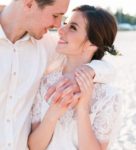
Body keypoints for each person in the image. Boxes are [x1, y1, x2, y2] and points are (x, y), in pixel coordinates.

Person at [0, 1, 115, 150]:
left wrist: (87, 72)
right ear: (29, 4)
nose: (58, 26)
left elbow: (102, 62)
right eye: (55, 15)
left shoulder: (46, 46)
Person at [28, 5, 122, 150]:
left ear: (92, 44)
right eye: (66, 23)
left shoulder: (108, 95)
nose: (60, 30)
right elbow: (34, 146)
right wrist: (52, 115)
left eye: (73, 28)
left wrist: (83, 109)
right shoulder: (46, 82)